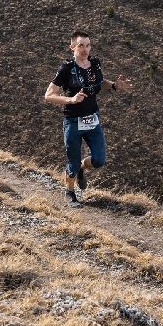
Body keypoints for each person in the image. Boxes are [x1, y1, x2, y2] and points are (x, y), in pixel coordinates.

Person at [44, 30, 131, 205]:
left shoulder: (95, 63)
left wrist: (114, 86)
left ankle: (82, 169)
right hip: (73, 121)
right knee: (73, 162)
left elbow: (99, 82)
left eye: (88, 45)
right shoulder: (66, 69)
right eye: (81, 45)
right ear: (72, 47)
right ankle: (70, 193)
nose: (85, 49)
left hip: (92, 119)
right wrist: (71, 99)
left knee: (99, 160)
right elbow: (49, 95)